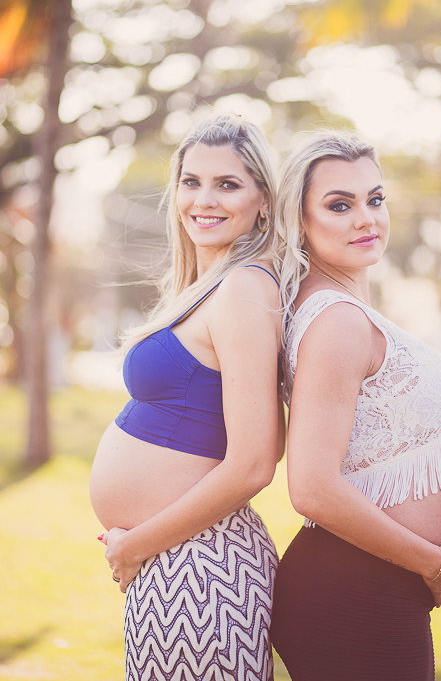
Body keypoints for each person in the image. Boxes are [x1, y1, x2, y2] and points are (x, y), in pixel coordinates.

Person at [270, 131, 441, 681]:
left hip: (371, 586)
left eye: (375, 199)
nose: (365, 218)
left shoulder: (345, 309)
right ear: (299, 221)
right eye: (339, 205)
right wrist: (431, 561)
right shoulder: (337, 323)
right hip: (355, 592)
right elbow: (312, 488)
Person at [90, 112, 283, 681]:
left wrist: (136, 544)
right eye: (192, 181)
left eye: (228, 184)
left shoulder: (245, 289)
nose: (205, 199)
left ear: (263, 201)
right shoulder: (209, 287)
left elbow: (254, 463)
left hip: (202, 564)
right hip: (176, 562)